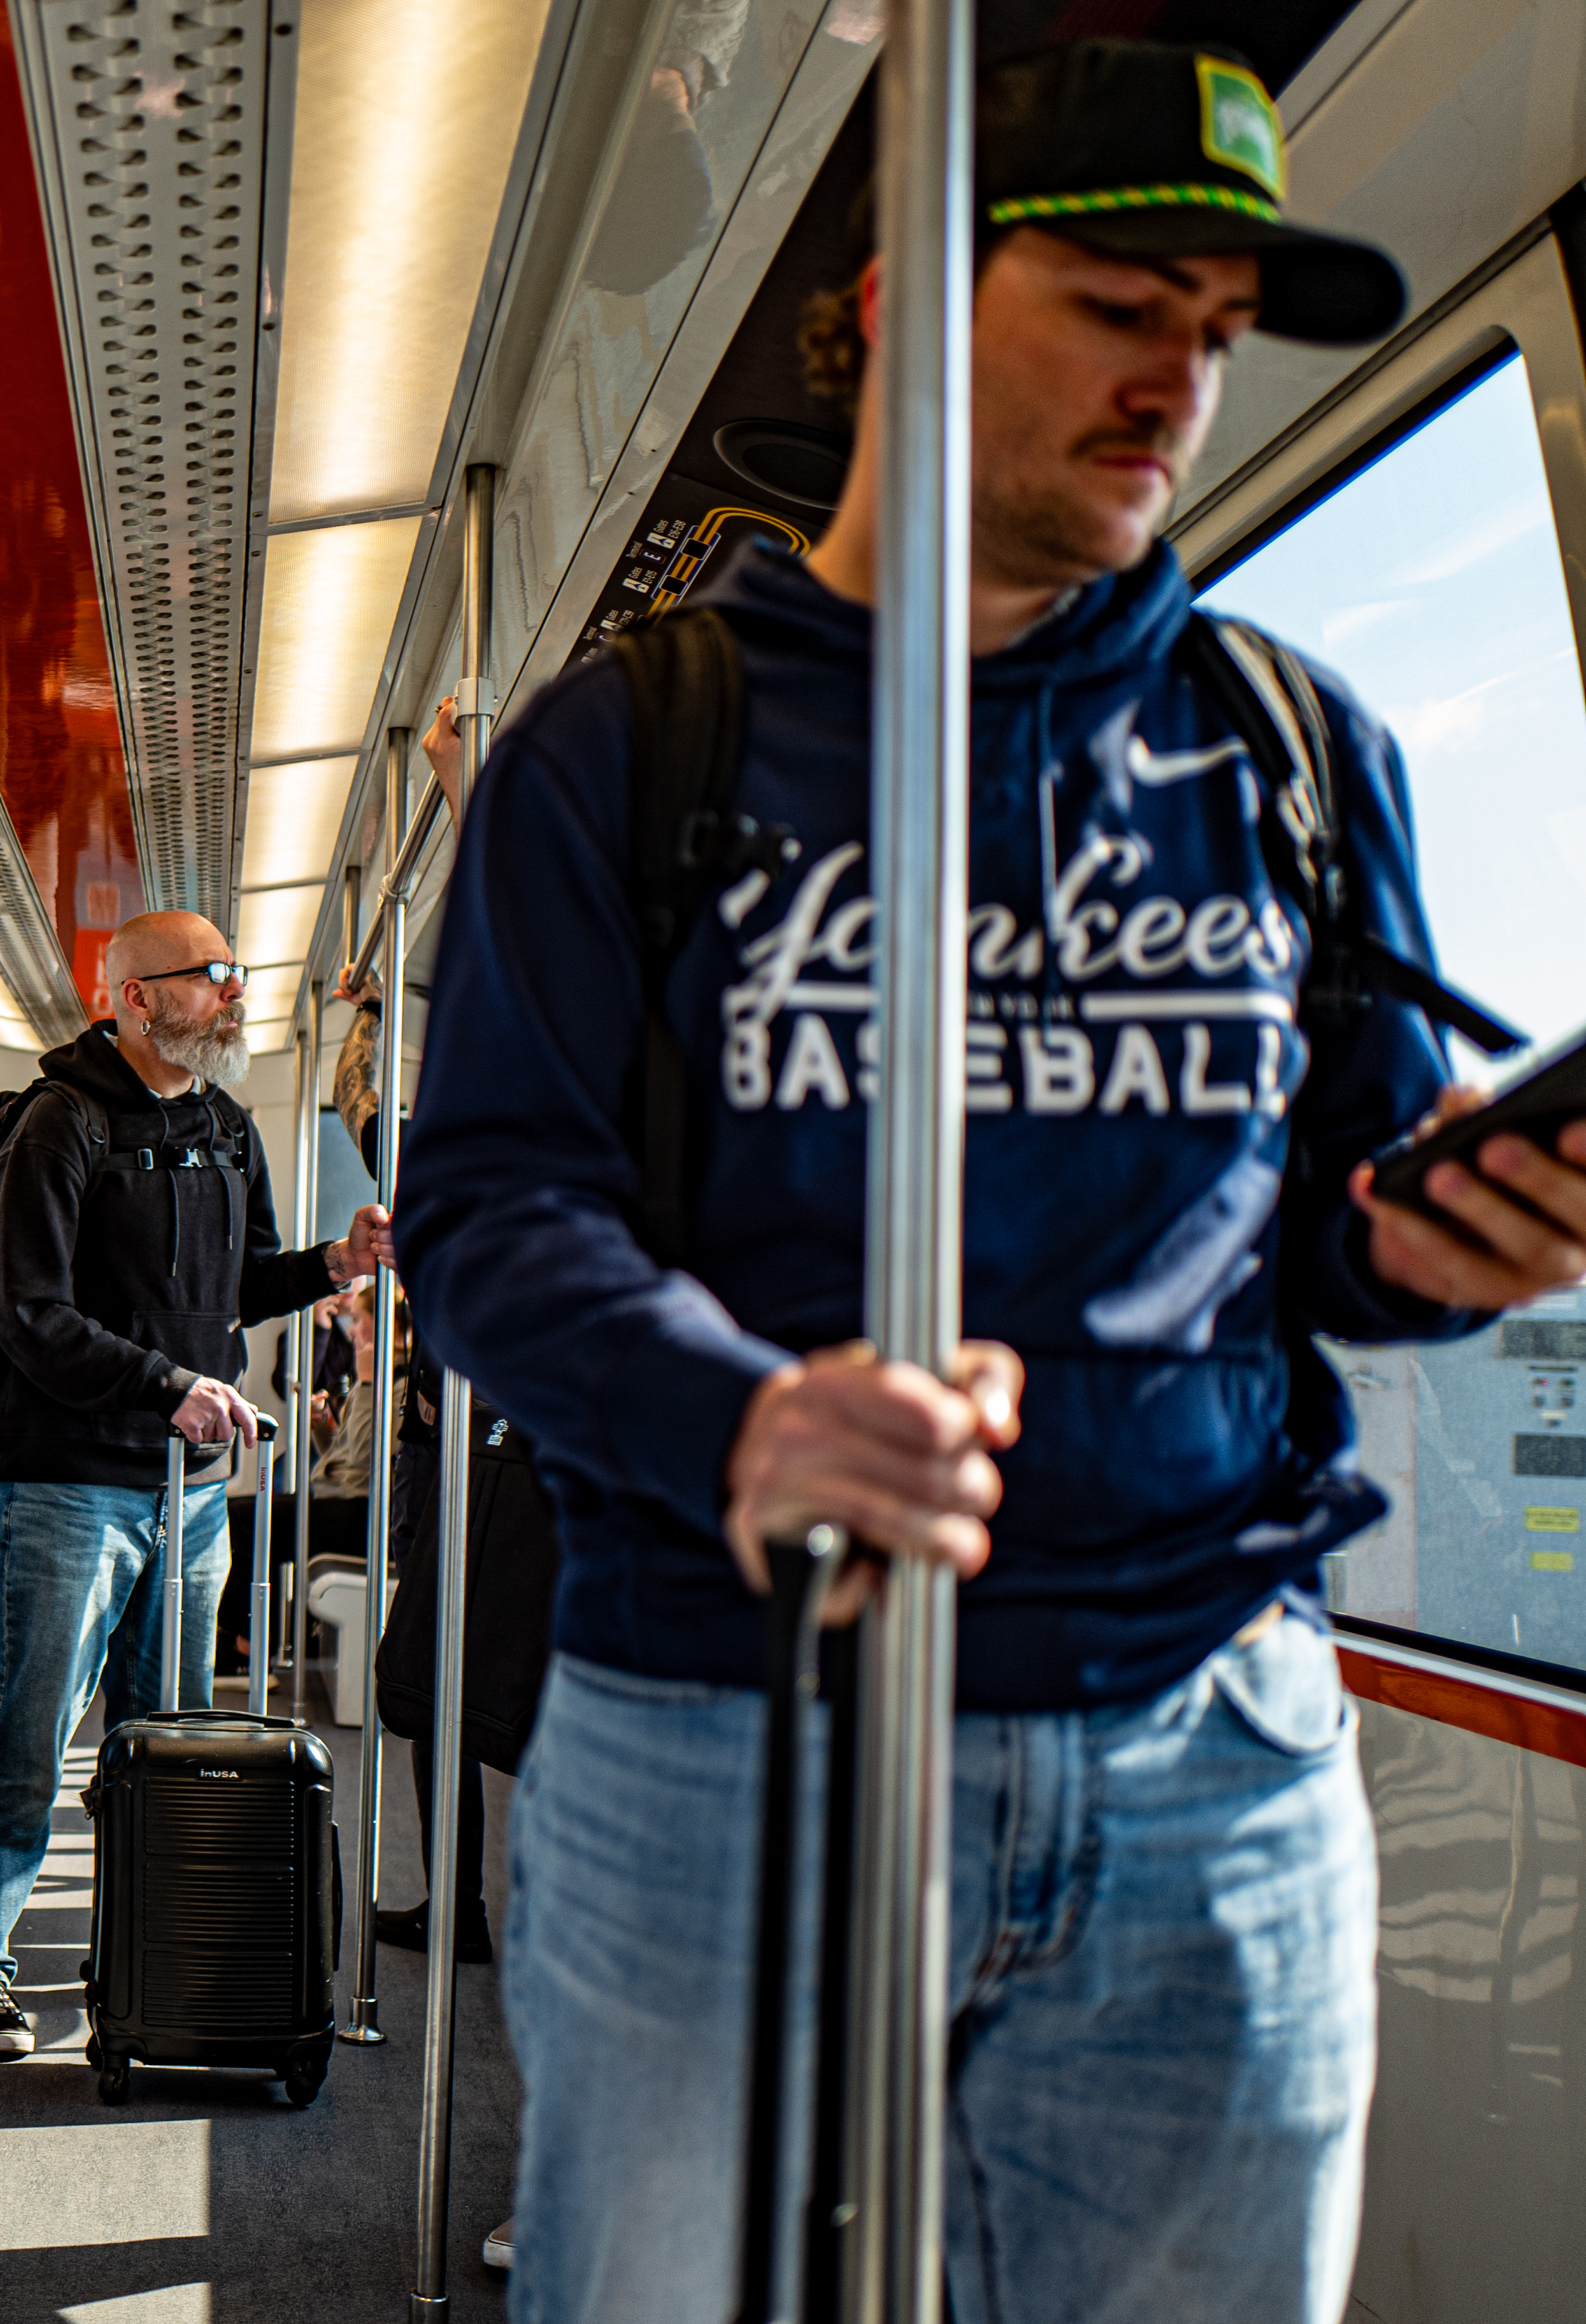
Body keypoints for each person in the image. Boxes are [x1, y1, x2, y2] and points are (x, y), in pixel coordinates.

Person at [396, 43, 1586, 2322]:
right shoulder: (627, 750)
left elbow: (1333, 1227)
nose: (1180, 382)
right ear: (901, 297)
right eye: (1126, 302)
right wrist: (741, 1405)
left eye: (1219, 334)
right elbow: (491, 1220)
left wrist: (1459, 1243)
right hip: (726, 1741)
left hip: (1208, 1747)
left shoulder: (1291, 755)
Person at [0, 911, 389, 2055]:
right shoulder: (58, 1121)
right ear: (135, 995)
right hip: (64, 1481)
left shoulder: (230, 1126)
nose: (235, 994)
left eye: (238, 973)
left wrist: (333, 1264)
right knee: (34, 1731)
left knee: (164, 1736)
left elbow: (239, 1283)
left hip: (187, 1490)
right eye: (212, 977)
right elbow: (30, 1314)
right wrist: (167, 1385)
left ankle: (134, 1946)